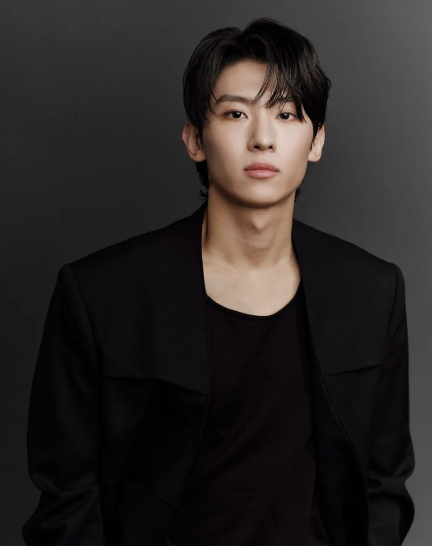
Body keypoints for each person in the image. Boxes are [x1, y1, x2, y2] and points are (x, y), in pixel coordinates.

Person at [22, 17, 415, 546]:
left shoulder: (372, 291)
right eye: (235, 113)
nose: (263, 138)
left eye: (286, 114)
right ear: (195, 140)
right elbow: (66, 502)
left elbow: (384, 483)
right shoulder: (100, 294)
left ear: (316, 140)